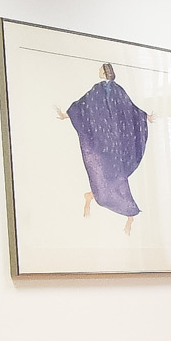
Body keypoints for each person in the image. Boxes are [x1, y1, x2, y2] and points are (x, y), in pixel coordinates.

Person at [67, 63, 151, 227]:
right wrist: (68, 114)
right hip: (101, 140)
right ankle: (122, 210)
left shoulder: (118, 90)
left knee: (117, 175)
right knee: (104, 173)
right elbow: (81, 105)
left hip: (115, 140)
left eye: (100, 69)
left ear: (105, 72)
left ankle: (102, 200)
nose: (99, 71)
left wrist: (144, 116)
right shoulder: (97, 89)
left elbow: (130, 107)